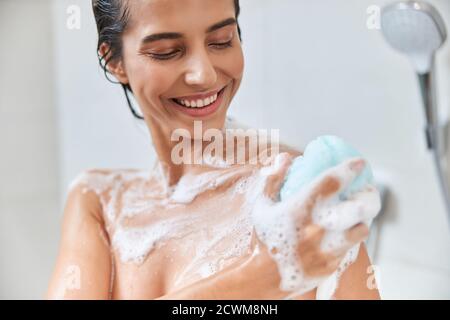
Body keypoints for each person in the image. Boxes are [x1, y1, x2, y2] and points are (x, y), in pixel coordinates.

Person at [47, 0, 381, 300]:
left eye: (221, 41)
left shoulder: (294, 196)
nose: (204, 75)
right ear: (114, 61)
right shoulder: (101, 202)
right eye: (166, 51)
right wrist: (264, 275)